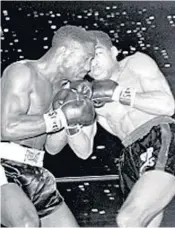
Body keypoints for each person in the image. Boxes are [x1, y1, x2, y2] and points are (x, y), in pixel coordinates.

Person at [68, 30, 175, 227]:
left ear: (114, 51)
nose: (93, 63)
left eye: (97, 53)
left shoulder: (136, 64)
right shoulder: (89, 95)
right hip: (129, 158)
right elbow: (83, 151)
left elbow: (168, 106)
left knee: (128, 219)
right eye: (87, 59)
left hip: (161, 138)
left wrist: (118, 93)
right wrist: (70, 121)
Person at [1, 25, 96, 227]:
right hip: (4, 164)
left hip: (36, 170)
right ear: (64, 52)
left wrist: (71, 121)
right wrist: (61, 117)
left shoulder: (63, 90)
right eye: (86, 58)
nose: (89, 67)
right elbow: (7, 128)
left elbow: (52, 147)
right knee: (26, 224)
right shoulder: (22, 72)